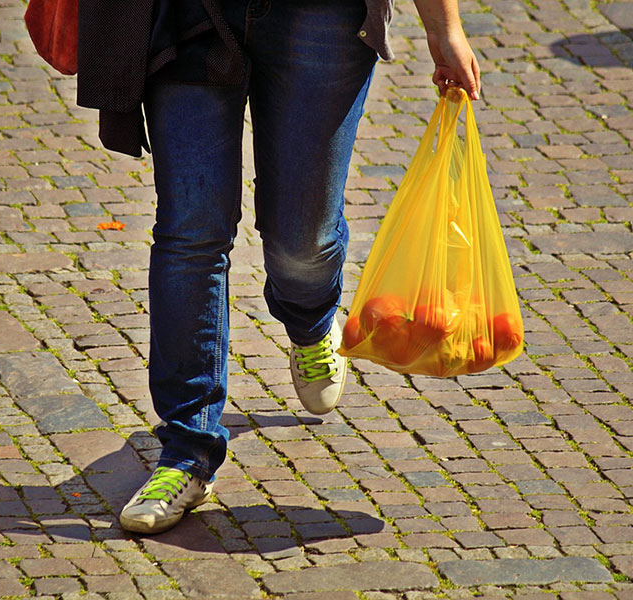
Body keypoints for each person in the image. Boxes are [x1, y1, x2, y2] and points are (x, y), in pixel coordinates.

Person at [77, 0, 481, 535]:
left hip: (320, 17)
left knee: (302, 240)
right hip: (187, 12)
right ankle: (186, 452)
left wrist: (444, 26)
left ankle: (311, 319)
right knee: (190, 231)